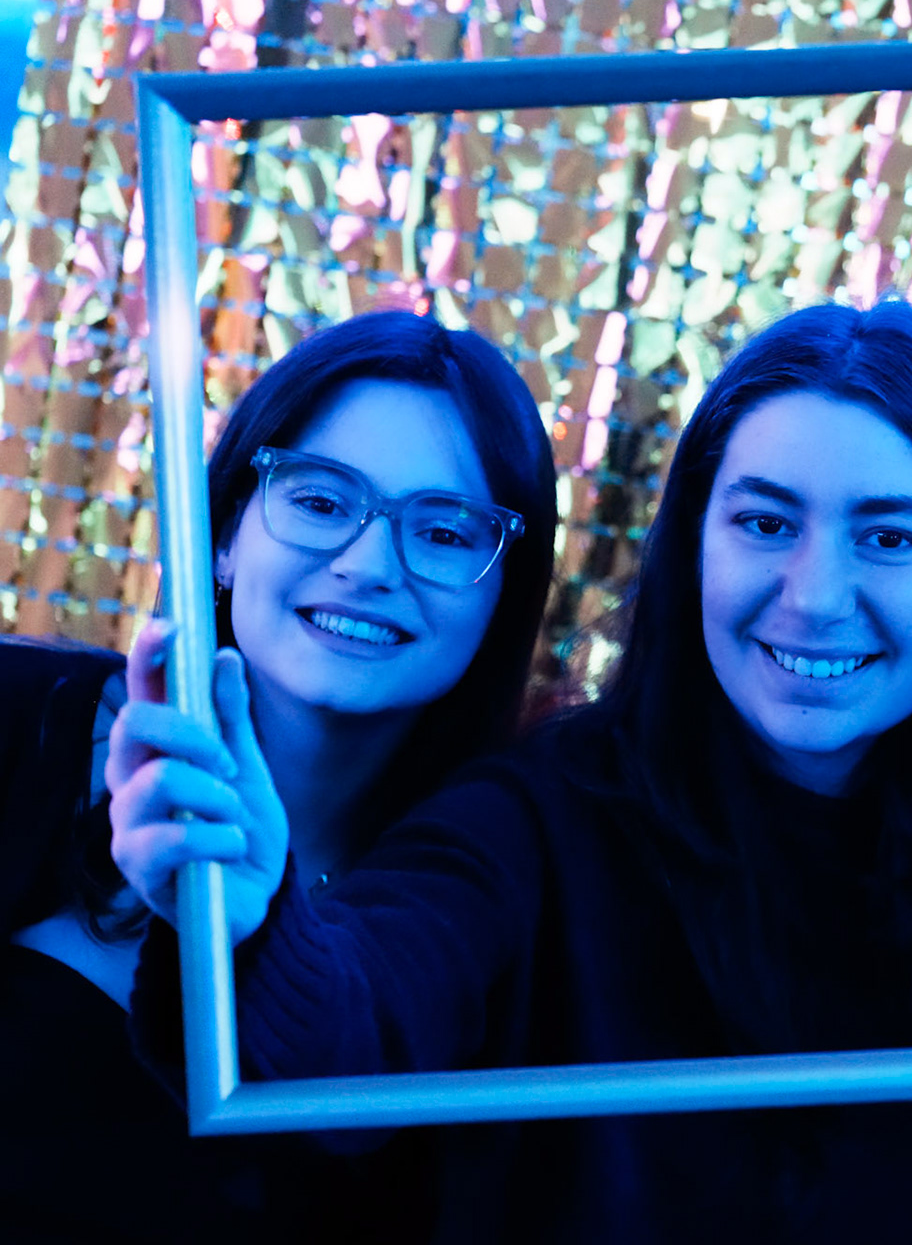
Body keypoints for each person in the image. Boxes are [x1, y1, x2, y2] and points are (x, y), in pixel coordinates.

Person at [112, 299, 912, 1242]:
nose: (815, 597)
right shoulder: (540, 822)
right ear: (692, 542)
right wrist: (254, 922)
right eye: (766, 523)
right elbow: (361, 1030)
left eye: (890, 537)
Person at [0, 309, 558, 1243]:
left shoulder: (489, 890)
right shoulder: (22, 723)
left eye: (445, 532)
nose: (369, 566)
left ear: (506, 597)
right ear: (224, 534)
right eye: (321, 501)